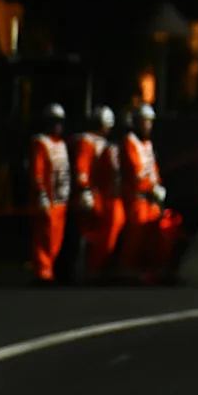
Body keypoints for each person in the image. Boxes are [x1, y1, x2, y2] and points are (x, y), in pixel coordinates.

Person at [115, 103, 177, 283]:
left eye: (150, 122)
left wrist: (158, 184)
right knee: (135, 236)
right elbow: (135, 172)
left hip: (151, 199)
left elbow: (153, 168)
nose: (148, 126)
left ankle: (150, 270)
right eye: (145, 122)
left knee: (154, 236)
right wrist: (152, 187)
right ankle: (127, 271)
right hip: (137, 197)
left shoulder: (147, 143)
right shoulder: (129, 142)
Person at [73, 105, 123, 282]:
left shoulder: (101, 143)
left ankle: (97, 269)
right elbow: (82, 168)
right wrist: (84, 190)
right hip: (90, 194)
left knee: (102, 234)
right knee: (89, 235)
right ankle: (86, 270)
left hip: (101, 194)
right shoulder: (86, 141)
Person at [26, 105, 74, 284]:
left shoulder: (61, 144)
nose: (58, 127)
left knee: (56, 238)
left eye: (60, 123)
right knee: (43, 236)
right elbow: (37, 172)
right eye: (54, 123)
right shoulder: (41, 142)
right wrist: (41, 194)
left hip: (61, 199)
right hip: (48, 199)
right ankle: (42, 271)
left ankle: (49, 269)